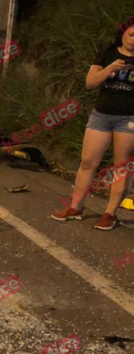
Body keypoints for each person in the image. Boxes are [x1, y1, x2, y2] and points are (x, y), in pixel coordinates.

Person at [51, 24, 134, 230]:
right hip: (101, 116)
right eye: (132, 34)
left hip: (128, 119)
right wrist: (111, 68)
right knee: (87, 162)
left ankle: (109, 213)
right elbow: (90, 83)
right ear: (123, 34)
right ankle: (75, 207)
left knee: (120, 168)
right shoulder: (107, 53)